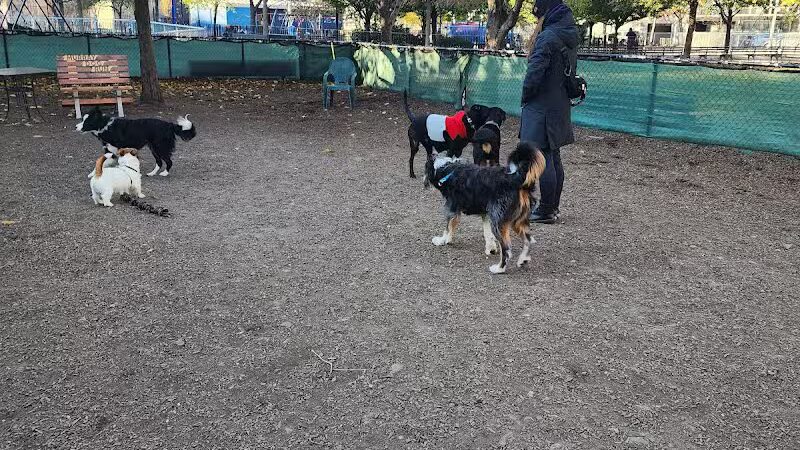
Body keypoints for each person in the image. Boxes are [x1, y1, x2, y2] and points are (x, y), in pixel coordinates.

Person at [520, 0, 577, 224]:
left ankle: (545, 210)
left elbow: (534, 74)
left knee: (542, 158)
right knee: (554, 157)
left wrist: (525, 96)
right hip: (559, 102)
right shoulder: (568, 34)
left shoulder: (547, 37)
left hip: (542, 105)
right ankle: (553, 208)